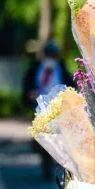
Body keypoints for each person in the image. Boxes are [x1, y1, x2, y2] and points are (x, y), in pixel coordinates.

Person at [22, 41, 75, 180]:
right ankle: (45, 162)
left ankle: (61, 165)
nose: (50, 58)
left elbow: (71, 86)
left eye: (53, 55)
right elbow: (27, 85)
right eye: (48, 55)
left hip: (59, 110)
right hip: (40, 109)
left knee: (60, 140)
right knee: (42, 138)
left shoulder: (61, 68)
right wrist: (30, 94)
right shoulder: (35, 68)